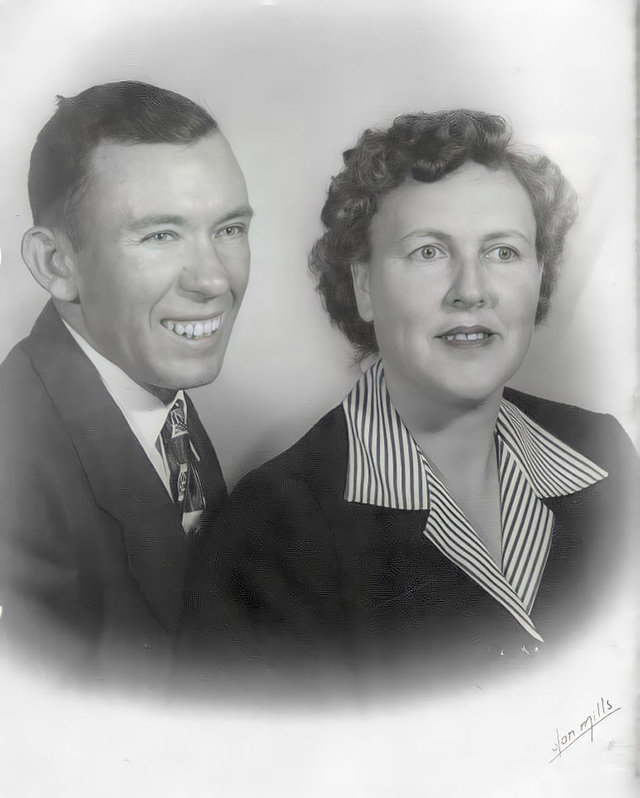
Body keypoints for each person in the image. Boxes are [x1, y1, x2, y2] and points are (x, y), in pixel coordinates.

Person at [182, 109, 636, 697]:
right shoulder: (269, 531)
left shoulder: (606, 452)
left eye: (503, 252)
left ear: (539, 273)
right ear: (365, 287)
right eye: (428, 252)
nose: (471, 290)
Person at [0, 81, 253, 688]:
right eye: (159, 235)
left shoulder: (161, 407)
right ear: (57, 264)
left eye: (230, 229)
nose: (214, 279)